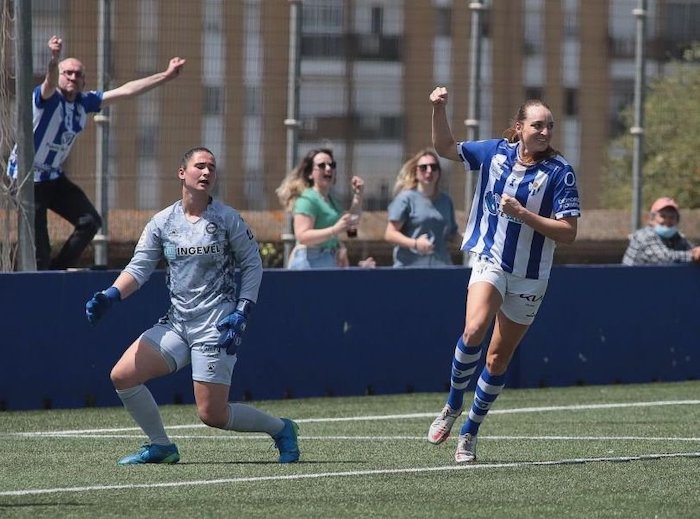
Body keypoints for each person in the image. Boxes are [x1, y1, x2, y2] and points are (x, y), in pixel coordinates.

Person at [84, 147, 300, 465]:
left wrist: (242, 310)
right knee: (123, 376)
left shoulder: (227, 219)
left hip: (217, 324)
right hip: (177, 323)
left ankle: (282, 429)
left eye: (212, 167)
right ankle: (161, 446)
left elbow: (253, 264)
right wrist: (111, 295)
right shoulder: (162, 221)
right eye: (200, 166)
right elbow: (139, 268)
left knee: (212, 414)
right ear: (182, 173)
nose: (207, 172)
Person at [426, 87, 581, 463]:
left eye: (550, 127)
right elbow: (445, 147)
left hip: (531, 275)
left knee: (497, 358)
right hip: (489, 259)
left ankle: (470, 433)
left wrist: (523, 214)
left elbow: (569, 231)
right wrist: (438, 108)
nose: (545, 132)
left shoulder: (560, 173)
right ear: (519, 127)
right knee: (474, 329)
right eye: (538, 125)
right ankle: (450, 406)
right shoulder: (495, 152)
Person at [7, 35, 186, 270]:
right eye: (67, 72)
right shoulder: (46, 99)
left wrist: (165, 76)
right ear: (59, 75)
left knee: (90, 221)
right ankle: (43, 278)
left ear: (83, 81)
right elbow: (49, 81)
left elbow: (126, 91)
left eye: (78, 74)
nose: (72, 77)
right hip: (27, 180)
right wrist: (53, 59)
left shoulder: (84, 102)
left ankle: (56, 270)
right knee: (39, 249)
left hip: (52, 177)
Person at [276, 147, 375, 269]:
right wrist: (334, 230)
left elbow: (351, 226)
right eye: (322, 166)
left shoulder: (332, 201)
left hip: (328, 260)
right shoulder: (307, 199)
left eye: (332, 165)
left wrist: (358, 196)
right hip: (309, 262)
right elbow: (302, 236)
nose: (328, 169)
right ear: (310, 174)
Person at [384, 148, 459, 267]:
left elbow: (452, 234)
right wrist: (415, 243)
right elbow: (390, 234)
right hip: (409, 268)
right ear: (416, 172)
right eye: (424, 167)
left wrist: (471, 242)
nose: (429, 171)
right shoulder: (406, 199)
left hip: (440, 267)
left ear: (439, 172)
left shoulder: (446, 200)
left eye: (433, 167)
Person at [622, 197, 700, 265]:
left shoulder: (678, 237)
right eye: (663, 216)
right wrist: (692, 255)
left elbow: (693, 250)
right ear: (652, 219)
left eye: (672, 217)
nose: (667, 220)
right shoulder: (644, 236)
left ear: (677, 221)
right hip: (631, 280)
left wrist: (696, 252)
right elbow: (663, 258)